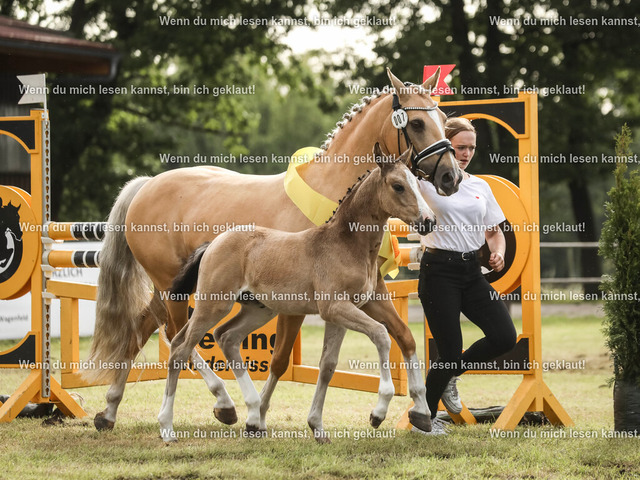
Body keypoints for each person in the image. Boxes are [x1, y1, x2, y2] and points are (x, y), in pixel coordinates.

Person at [415, 117, 517, 435]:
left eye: (471, 148)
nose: (466, 153)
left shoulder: (480, 186)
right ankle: (424, 420)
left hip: (472, 272)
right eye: (460, 147)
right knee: (448, 351)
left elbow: (494, 231)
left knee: (504, 337)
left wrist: (497, 251)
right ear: (445, 145)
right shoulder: (423, 183)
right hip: (438, 272)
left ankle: (450, 374)